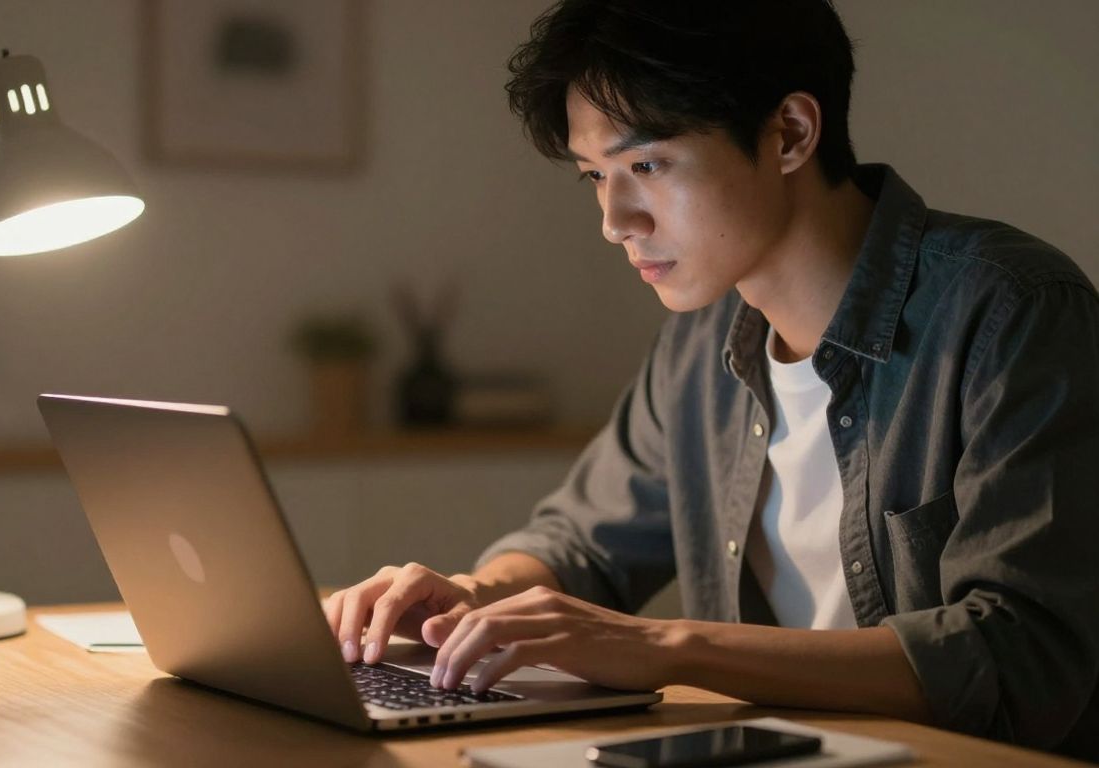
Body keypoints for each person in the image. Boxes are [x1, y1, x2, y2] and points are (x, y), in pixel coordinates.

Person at [323, 0, 1099, 758]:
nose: (616, 219)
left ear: (790, 133)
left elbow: (1018, 658)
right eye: (595, 176)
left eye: (648, 164)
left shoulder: (1012, 312)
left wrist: (667, 646)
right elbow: (582, 549)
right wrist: (475, 596)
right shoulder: (697, 348)